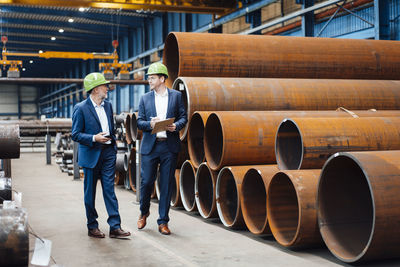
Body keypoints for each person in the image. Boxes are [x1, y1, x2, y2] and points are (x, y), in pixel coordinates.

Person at [72, 72, 130, 239]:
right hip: (91, 155)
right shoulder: (81, 108)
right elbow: (75, 134)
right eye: (105, 86)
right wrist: (93, 138)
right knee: (90, 194)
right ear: (96, 89)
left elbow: (110, 128)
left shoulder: (108, 106)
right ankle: (92, 226)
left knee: (109, 191)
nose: (107, 88)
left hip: (108, 153)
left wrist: (112, 143)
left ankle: (115, 226)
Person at [137, 62, 187, 235]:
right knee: (146, 182)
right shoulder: (145, 99)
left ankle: (163, 221)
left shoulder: (176, 96)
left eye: (152, 78)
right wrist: (150, 124)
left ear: (162, 79)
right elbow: (139, 122)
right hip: (150, 147)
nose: (149, 80)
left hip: (169, 146)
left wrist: (176, 126)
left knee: (166, 185)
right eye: (149, 78)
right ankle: (144, 212)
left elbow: (183, 117)